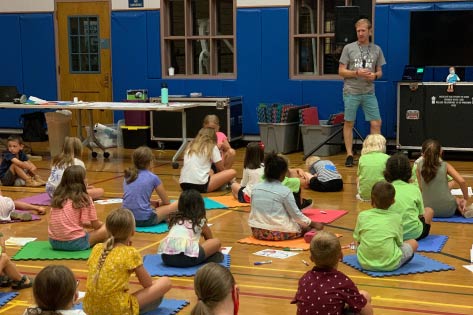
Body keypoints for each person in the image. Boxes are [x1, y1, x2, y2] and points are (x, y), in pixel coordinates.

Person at [83, 207, 172, 315]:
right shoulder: (130, 253)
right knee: (165, 282)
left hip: (89, 308)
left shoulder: (97, 248)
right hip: (116, 310)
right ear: (133, 232)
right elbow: (147, 284)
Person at [338, 18, 386, 167]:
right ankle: (349, 154)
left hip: (368, 91)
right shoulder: (349, 48)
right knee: (349, 122)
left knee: (376, 122)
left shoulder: (377, 49)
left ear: (369, 31)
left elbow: (380, 71)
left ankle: (374, 153)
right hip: (351, 91)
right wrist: (356, 72)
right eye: (358, 31)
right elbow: (341, 71)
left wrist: (375, 76)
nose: (360, 33)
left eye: (363, 30)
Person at [292, 231, 373, 315]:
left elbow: (299, 303)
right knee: (364, 295)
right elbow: (366, 310)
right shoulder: (342, 282)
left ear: (311, 258)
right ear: (341, 256)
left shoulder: (305, 279)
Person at [249, 153, 323, 241]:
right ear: (283, 174)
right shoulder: (284, 191)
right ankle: (310, 232)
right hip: (278, 232)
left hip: (257, 231)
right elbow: (297, 216)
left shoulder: (255, 188)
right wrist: (313, 224)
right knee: (305, 226)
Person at [353, 181, 418, 271]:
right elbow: (399, 242)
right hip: (390, 264)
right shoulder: (396, 217)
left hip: (364, 262)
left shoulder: (362, 215)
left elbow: (358, 239)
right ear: (393, 201)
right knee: (413, 242)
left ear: (372, 199)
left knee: (357, 242)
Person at [48, 165, 108, 251]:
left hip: (54, 242)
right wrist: (103, 225)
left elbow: (72, 222)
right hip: (75, 243)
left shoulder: (58, 197)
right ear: (82, 181)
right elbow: (96, 225)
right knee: (107, 228)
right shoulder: (85, 198)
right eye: (85, 178)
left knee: (86, 231)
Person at [158, 189, 221, 267]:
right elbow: (210, 239)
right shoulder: (199, 221)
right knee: (216, 242)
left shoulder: (175, 219)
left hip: (166, 258)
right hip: (187, 259)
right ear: (200, 205)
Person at [416, 139, 473, 218]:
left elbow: (421, 189)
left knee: (452, 198)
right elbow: (462, 181)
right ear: (441, 152)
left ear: (422, 154)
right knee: (456, 200)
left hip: (426, 209)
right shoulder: (445, 166)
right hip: (447, 211)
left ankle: (461, 208)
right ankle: (463, 209)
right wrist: (466, 198)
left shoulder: (418, 166)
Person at [123, 146, 178, 227]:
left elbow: (132, 197)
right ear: (150, 161)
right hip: (144, 220)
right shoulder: (153, 177)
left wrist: (151, 202)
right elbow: (166, 202)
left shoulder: (128, 175)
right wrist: (160, 203)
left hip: (127, 219)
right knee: (178, 203)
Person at [384, 153, 433, 241]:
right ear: (409, 172)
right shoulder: (414, 189)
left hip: (390, 234)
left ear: (387, 172)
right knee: (429, 211)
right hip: (414, 234)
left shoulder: (385, 189)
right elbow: (421, 214)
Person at [179, 127, 237, 193]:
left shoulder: (190, 145)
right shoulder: (212, 146)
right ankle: (224, 184)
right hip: (201, 185)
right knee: (232, 172)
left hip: (184, 185)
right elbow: (221, 169)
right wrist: (228, 179)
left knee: (211, 171)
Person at [357, 134, 389, 201]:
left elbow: (359, 177)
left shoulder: (362, 158)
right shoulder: (387, 158)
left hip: (365, 196)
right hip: (384, 195)